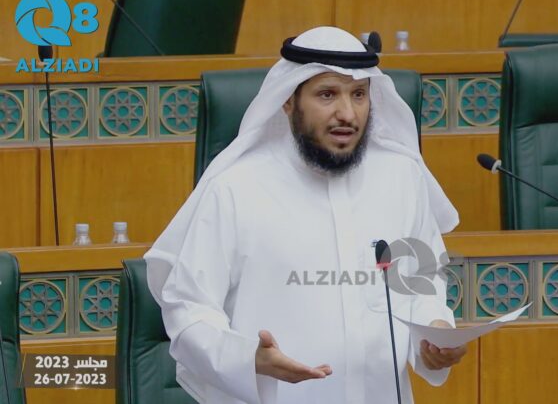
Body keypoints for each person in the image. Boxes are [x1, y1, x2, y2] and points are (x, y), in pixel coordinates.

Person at [145, 26, 465, 404]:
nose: (347, 113)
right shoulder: (236, 189)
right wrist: (249, 358)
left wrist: (434, 331)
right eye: (327, 94)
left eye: (359, 94)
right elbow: (189, 308)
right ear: (288, 101)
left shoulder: (401, 177)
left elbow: (422, 282)